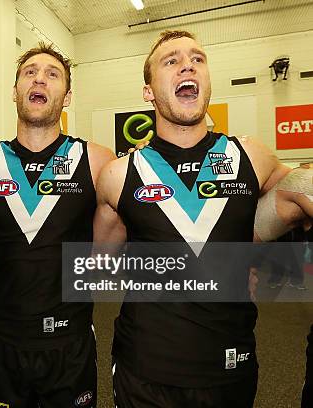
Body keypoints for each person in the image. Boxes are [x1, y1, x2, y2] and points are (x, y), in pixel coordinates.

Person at [94, 30, 312, 407]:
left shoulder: (250, 155)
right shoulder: (119, 174)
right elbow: (98, 267)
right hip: (145, 370)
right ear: (148, 91)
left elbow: (295, 198)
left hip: (230, 366)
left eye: (197, 59)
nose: (187, 65)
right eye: (171, 60)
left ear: (207, 80)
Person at [0, 43, 119, 407]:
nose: (40, 78)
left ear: (66, 97)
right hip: (0, 341)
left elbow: (152, 218)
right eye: (30, 72)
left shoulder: (97, 160)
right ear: (15, 91)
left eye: (52, 74)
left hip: (69, 344)